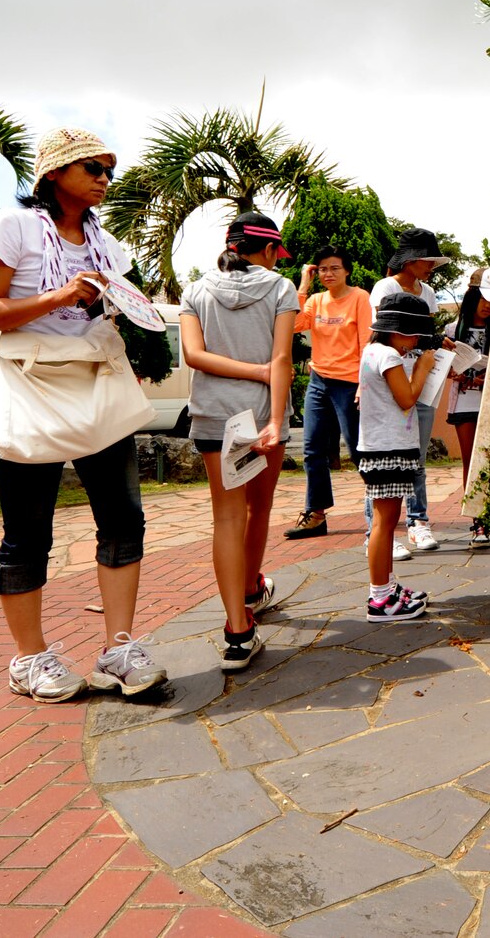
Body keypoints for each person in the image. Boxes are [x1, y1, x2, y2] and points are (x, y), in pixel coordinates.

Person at [0, 126, 166, 704]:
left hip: (94, 381)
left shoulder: (106, 242)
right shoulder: (13, 227)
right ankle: (29, 659)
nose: (105, 180)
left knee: (125, 518)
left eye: (109, 171)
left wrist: (124, 303)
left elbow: (109, 306)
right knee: (28, 534)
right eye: (93, 168)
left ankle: (119, 649)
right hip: (30, 386)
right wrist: (59, 295)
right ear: (54, 173)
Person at [180, 212, 297, 673]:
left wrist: (250, 371)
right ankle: (251, 588)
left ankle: (238, 629)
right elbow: (282, 357)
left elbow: (193, 355)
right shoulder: (280, 287)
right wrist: (272, 415)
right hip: (262, 414)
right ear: (268, 251)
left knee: (226, 518)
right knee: (258, 508)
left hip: (213, 414)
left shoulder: (196, 289)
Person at [357, 291, 440, 622]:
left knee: (386, 522)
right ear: (396, 329)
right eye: (413, 333)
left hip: (383, 446)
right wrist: (423, 367)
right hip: (386, 448)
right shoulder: (388, 356)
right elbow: (407, 398)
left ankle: (389, 588)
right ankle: (380, 598)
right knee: (384, 523)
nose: (416, 340)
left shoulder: (373, 351)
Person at [285, 246, 373, 542]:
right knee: (312, 451)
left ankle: (380, 507)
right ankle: (316, 514)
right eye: (322, 269)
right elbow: (295, 325)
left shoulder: (360, 298)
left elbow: (365, 343)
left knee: (358, 449)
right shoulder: (315, 300)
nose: (328, 274)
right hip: (319, 381)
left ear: (347, 270)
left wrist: (363, 383)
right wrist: (303, 284)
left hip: (349, 383)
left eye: (334, 268)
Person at [370, 228, 450, 553]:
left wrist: (437, 343)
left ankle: (418, 522)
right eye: (428, 259)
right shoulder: (385, 288)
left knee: (416, 458)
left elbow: (423, 334)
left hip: (423, 382)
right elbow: (381, 331)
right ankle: (379, 535)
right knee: (386, 459)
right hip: (392, 381)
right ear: (412, 260)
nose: (432, 266)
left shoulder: (428, 292)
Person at [447, 266, 490, 545]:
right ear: (471, 298)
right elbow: (440, 367)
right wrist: (452, 372)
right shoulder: (452, 330)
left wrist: (484, 377)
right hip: (463, 404)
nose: (488, 306)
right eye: (483, 299)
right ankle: (479, 523)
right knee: (472, 463)